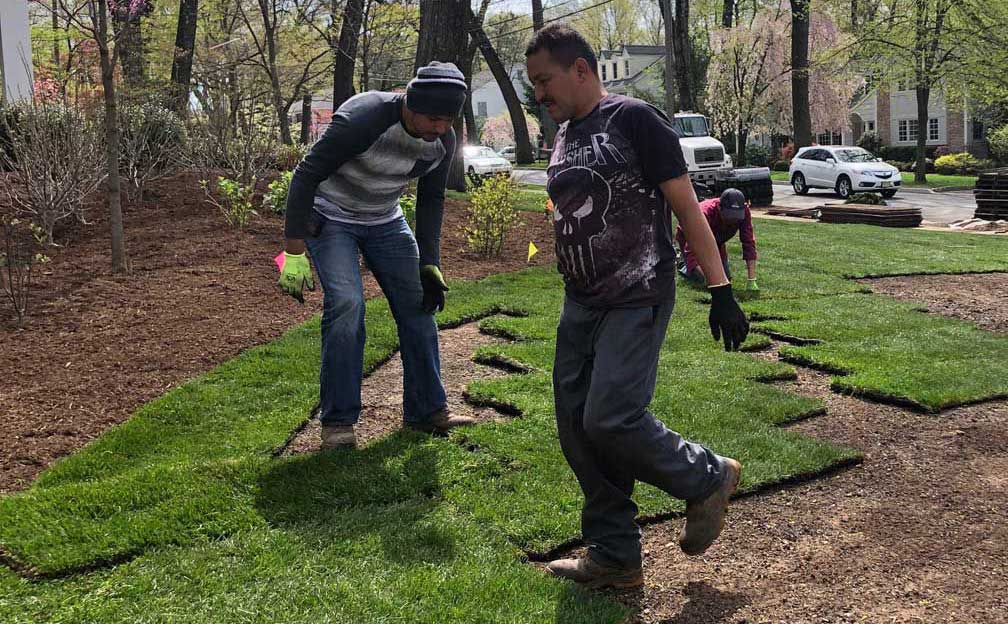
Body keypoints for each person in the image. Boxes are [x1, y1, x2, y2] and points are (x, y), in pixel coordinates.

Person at [525, 23, 750, 589]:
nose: (539, 94)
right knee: (577, 429)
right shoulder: (566, 133)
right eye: (533, 84)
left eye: (545, 80)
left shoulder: (634, 119)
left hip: (636, 294)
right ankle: (616, 556)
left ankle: (707, 477)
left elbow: (687, 209)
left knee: (610, 417)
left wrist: (721, 292)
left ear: (581, 69)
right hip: (581, 301)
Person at [275, 62, 479, 451]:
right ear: (410, 102)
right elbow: (307, 173)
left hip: (385, 219)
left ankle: (427, 411)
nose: (440, 127)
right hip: (330, 216)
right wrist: (293, 250)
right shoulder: (362, 118)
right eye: (434, 118)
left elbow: (431, 197)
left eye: (448, 119)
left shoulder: (443, 138)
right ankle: (338, 423)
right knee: (348, 304)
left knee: (420, 305)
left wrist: (429, 262)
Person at [677, 188, 759, 290]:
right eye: (729, 217)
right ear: (720, 208)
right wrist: (711, 280)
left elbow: (748, 242)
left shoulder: (744, 211)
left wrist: (751, 279)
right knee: (701, 279)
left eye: (736, 218)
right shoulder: (705, 214)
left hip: (718, 239)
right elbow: (691, 251)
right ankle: (682, 265)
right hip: (688, 235)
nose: (733, 221)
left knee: (725, 278)